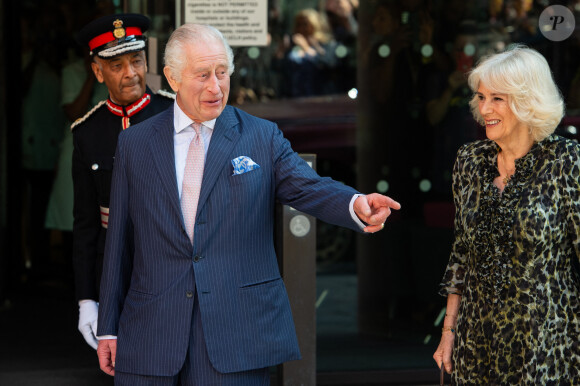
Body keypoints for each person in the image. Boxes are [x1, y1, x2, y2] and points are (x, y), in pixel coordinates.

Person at [96, 23, 401, 385]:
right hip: (151, 332)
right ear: (172, 78)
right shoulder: (135, 144)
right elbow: (118, 245)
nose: (216, 86)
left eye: (222, 72)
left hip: (235, 333)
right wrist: (107, 329)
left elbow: (308, 188)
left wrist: (355, 203)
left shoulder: (260, 136)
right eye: (203, 75)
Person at [433, 45, 580, 384]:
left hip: (545, 344)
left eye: (497, 98)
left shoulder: (565, 161)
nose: (485, 109)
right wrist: (448, 331)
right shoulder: (470, 160)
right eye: (481, 97)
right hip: (476, 341)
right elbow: (461, 254)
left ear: (528, 102)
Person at [72, 13, 174, 350]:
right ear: (98, 71)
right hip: (116, 278)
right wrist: (87, 299)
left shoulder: (176, 116)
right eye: (116, 65)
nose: (130, 73)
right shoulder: (87, 132)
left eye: (137, 60)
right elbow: (86, 224)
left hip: (172, 271)